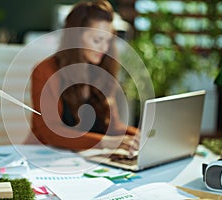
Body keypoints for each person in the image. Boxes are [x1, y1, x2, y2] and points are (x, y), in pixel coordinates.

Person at [25, 0, 139, 152]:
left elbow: (113, 127)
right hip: (42, 158)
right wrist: (106, 142)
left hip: (83, 160)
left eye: (108, 41)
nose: (104, 48)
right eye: (97, 40)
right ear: (75, 37)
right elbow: (50, 133)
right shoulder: (45, 70)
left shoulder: (101, 71)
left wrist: (142, 136)